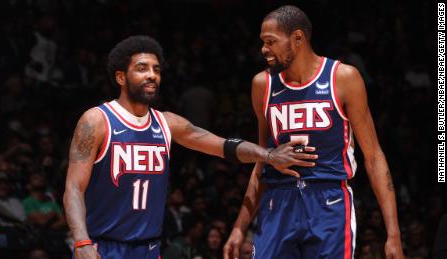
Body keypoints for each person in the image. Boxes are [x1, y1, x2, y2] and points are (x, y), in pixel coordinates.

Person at [63, 35, 316, 259]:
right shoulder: (97, 120)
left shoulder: (168, 123)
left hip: (148, 249)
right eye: (142, 68)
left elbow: (223, 146)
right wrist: (81, 241)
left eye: (156, 69)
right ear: (120, 77)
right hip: (103, 247)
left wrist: (269, 155)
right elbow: (74, 187)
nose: (152, 74)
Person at [223, 5, 404, 259]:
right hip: (278, 201)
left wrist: (393, 233)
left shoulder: (343, 78)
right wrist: (239, 227)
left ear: (297, 38)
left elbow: (373, 156)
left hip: (328, 202)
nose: (264, 50)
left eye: (270, 42)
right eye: (263, 42)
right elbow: (261, 161)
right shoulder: (262, 84)